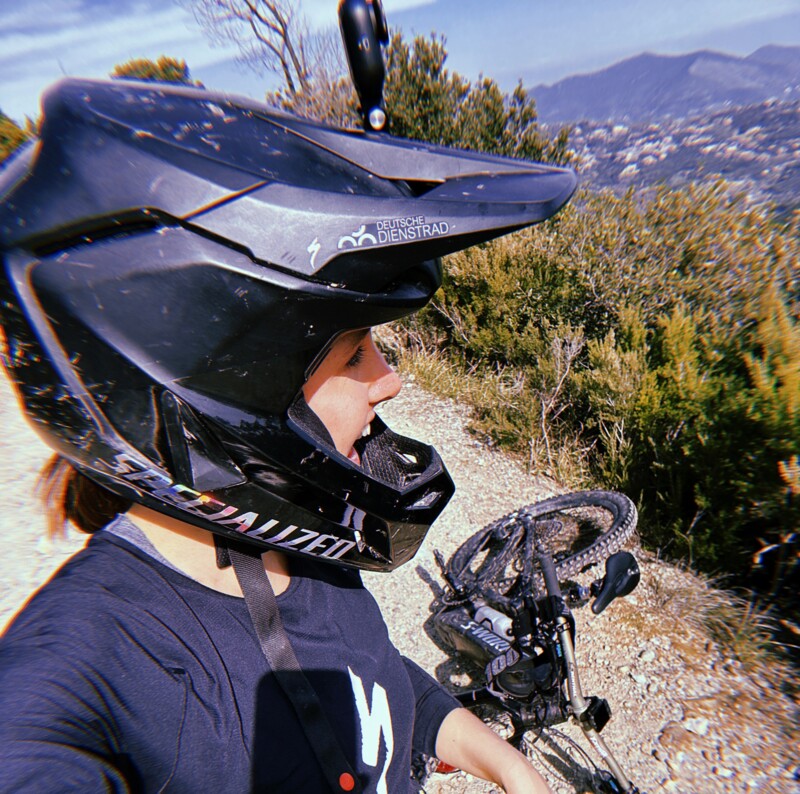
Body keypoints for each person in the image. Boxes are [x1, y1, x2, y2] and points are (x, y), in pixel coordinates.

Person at [0, 75, 576, 793]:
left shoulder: (302, 533)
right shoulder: (80, 669)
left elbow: (370, 677)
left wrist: (508, 766)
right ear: (227, 387)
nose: (390, 380)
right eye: (354, 351)